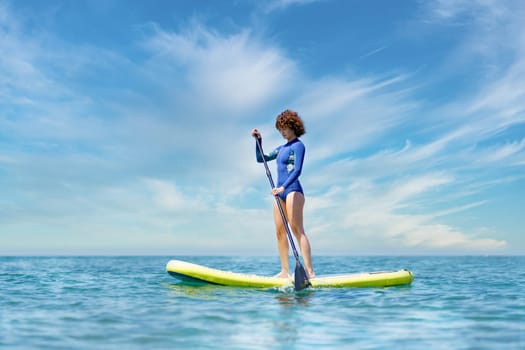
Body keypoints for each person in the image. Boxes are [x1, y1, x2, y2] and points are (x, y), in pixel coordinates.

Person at [251, 109, 315, 279]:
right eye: (280, 129)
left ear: (293, 126)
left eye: (285, 128)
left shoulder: (298, 146)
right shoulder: (281, 149)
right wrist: (259, 141)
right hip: (280, 193)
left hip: (293, 190)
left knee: (297, 229)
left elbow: (297, 170)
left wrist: (283, 187)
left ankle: (309, 272)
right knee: (280, 231)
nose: (282, 132)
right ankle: (285, 271)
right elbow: (261, 158)